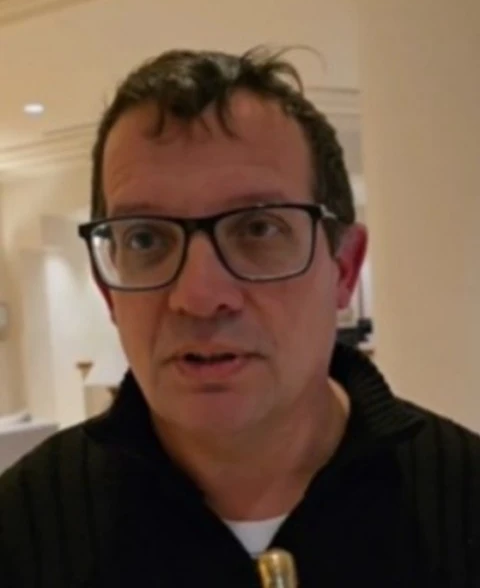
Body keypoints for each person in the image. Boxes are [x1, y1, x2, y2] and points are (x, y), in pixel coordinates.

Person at [0, 48, 479, 588]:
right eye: (146, 239)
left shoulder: (462, 504)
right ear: (109, 290)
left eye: (258, 229)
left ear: (343, 268)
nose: (199, 297)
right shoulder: (23, 530)